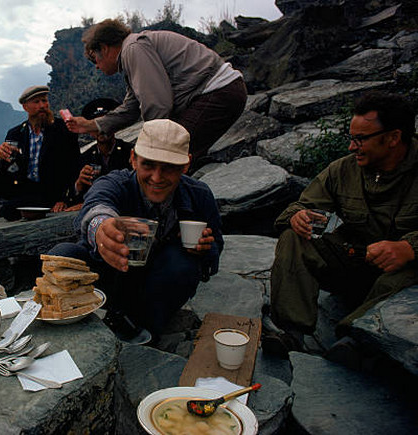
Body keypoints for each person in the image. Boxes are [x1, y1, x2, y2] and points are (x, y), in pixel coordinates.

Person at [264, 92, 418, 366]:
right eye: (351, 137)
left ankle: (358, 337)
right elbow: (300, 206)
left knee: (407, 271)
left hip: (400, 282)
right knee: (295, 237)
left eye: (361, 139)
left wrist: (409, 248)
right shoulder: (343, 170)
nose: (351, 147)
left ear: (393, 138)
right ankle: (292, 332)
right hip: (354, 266)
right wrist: (297, 216)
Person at [48, 119, 223, 341]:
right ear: (133, 159)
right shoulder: (114, 183)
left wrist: (204, 250)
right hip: (110, 278)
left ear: (186, 165)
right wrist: (102, 229)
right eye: (148, 164)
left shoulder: (199, 196)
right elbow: (96, 206)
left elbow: (216, 247)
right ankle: (87, 327)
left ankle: (146, 330)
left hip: (158, 285)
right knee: (63, 256)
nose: (157, 178)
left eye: (169, 168)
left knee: (183, 263)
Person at [64, 19, 247, 170]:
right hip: (222, 92)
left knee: (164, 157)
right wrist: (92, 125)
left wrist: (148, 145)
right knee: (174, 159)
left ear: (103, 48)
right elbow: (131, 107)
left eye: (94, 59)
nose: (96, 66)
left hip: (216, 92)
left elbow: (158, 104)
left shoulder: (133, 49)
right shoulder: (133, 53)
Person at [0, 85, 79, 224]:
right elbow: (0, 168)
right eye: (36, 102)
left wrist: (65, 199)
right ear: (25, 107)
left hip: (49, 191)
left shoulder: (63, 130)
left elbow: (74, 166)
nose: (42, 106)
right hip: (22, 185)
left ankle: (11, 208)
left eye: (44, 101)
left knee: (9, 211)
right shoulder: (16, 133)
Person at [67, 98, 134, 206]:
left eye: (104, 124)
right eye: (96, 125)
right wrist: (78, 184)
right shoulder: (84, 158)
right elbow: (72, 196)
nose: (101, 130)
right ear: (89, 130)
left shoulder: (130, 152)